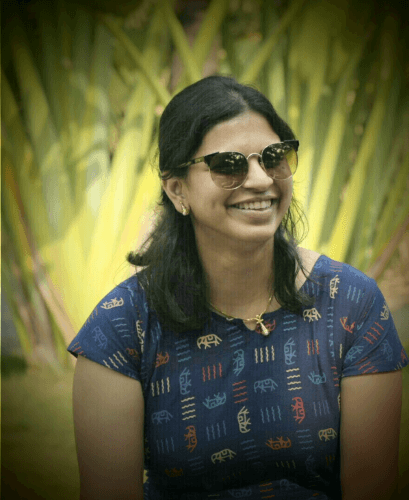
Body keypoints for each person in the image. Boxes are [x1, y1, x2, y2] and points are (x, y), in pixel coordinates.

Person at [68, 75, 408, 500]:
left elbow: (372, 487)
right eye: (228, 164)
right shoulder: (122, 327)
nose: (261, 180)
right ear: (177, 190)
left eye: (274, 158)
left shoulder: (351, 305)